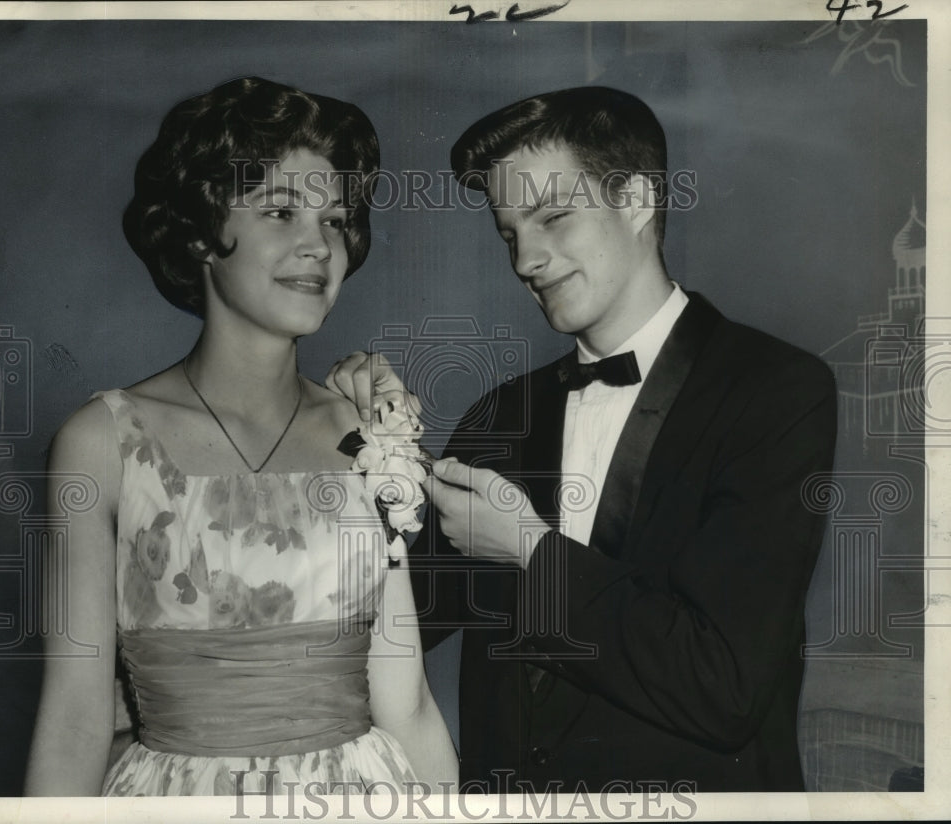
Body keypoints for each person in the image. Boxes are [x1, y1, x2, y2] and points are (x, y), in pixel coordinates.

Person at [328, 86, 837, 792]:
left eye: (554, 219)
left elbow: (723, 690)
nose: (525, 261)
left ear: (635, 201)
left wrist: (529, 551)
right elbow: (382, 630)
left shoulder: (776, 390)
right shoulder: (501, 413)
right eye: (510, 234)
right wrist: (364, 445)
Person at [25, 77, 457, 797]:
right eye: (281, 211)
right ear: (198, 233)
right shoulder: (103, 441)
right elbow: (74, 720)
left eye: (335, 220)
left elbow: (406, 703)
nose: (317, 245)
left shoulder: (369, 437)